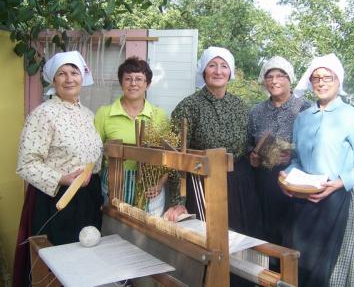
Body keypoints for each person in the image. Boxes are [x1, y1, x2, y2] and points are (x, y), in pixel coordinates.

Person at [280, 53, 354, 287]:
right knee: (300, 264)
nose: (321, 82)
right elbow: (296, 160)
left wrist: (338, 182)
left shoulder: (353, 117)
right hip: (302, 201)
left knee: (327, 271)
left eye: (328, 77)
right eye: (316, 78)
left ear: (339, 81)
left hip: (334, 202)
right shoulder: (303, 119)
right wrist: (287, 177)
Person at [13, 51, 103, 286]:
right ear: (54, 80)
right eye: (62, 74)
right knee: (57, 263)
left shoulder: (89, 115)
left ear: (82, 77)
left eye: (74, 72)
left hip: (88, 198)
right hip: (56, 199)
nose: (69, 79)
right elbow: (26, 163)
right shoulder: (43, 114)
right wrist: (62, 178)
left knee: (86, 257)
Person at [165, 46, 263, 239]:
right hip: (202, 184)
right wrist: (178, 200)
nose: (218, 71)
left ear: (230, 72)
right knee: (208, 240)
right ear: (203, 70)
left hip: (238, 185)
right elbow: (175, 155)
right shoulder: (188, 106)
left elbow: (247, 145)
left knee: (238, 240)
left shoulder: (240, 107)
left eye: (224, 66)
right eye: (212, 65)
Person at [94, 56, 184, 215]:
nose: (133, 83)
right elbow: (94, 153)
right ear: (121, 83)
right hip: (114, 186)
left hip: (150, 187)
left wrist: (160, 183)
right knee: (115, 232)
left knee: (148, 233)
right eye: (128, 78)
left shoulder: (159, 115)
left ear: (147, 84)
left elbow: (170, 156)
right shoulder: (105, 113)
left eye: (139, 79)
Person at [247, 56, 311, 250]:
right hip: (263, 180)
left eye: (280, 76)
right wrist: (252, 154)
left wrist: (292, 156)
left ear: (290, 79)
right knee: (265, 230)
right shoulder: (256, 111)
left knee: (292, 233)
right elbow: (248, 142)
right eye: (270, 76)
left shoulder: (305, 108)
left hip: (294, 179)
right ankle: (266, 275)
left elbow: (313, 146)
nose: (274, 81)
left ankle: (290, 275)